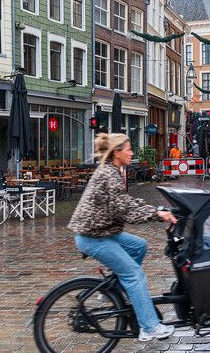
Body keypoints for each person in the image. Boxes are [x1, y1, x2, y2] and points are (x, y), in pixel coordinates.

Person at [68, 133, 177, 342]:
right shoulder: (109, 174)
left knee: (139, 246)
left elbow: (124, 201)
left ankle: (114, 290)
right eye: (128, 149)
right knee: (135, 275)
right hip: (94, 237)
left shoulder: (112, 171)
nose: (132, 153)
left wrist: (155, 210)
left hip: (102, 231)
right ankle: (149, 327)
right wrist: (156, 214)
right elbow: (123, 209)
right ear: (117, 152)